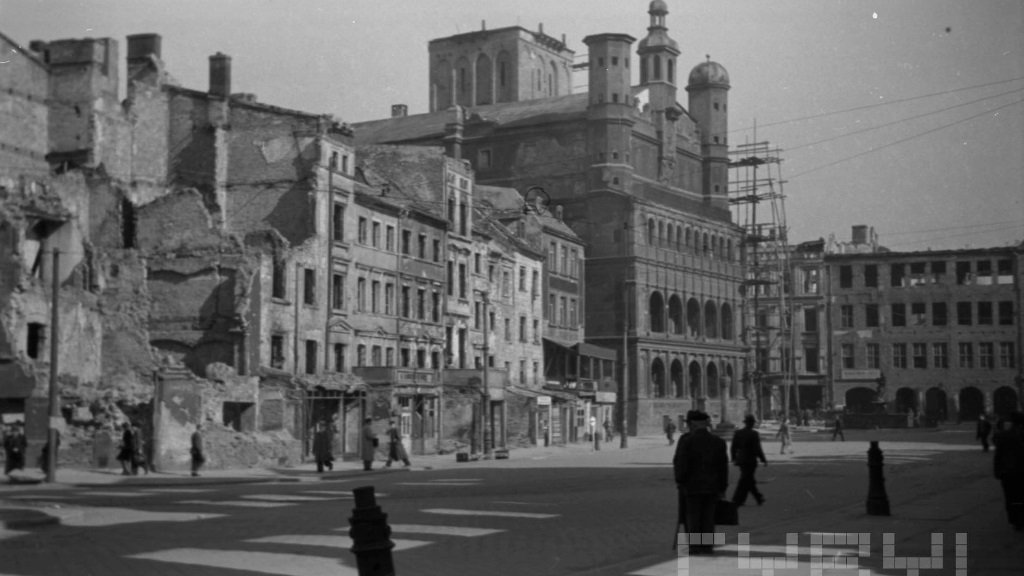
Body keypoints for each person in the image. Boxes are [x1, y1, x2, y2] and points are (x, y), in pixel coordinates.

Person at [673, 410, 729, 555]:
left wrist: (680, 480)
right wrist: (722, 487)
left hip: (692, 486)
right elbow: (723, 468)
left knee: (693, 516)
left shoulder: (686, 441)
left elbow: (680, 463)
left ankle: (695, 547)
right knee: (709, 517)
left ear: (693, 424)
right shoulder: (719, 442)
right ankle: (707, 546)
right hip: (712, 487)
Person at [993, 411, 1024, 530]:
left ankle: (1016, 520)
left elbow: (998, 456)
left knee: (1011, 497)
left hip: (1009, 472)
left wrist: (998, 471)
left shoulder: (1004, 435)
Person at [730, 415, 767, 506]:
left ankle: (748, 499)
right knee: (746, 479)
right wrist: (763, 459)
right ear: (751, 423)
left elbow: (733, 447)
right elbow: (757, 448)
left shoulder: (738, 433)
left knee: (747, 479)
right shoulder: (754, 434)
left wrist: (733, 458)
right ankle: (739, 499)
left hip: (741, 459)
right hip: (750, 460)